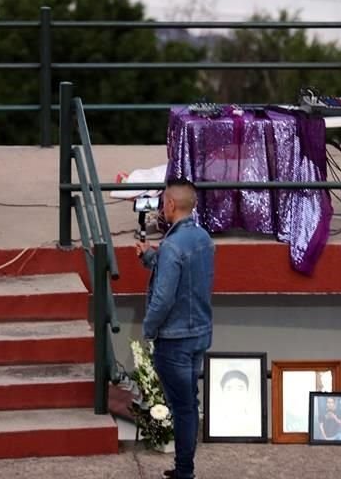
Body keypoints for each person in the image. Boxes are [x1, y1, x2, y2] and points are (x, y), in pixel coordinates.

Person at [136, 178, 215, 479]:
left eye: (163, 203)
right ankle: (185, 468)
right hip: (199, 334)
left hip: (175, 339)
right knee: (188, 403)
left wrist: (148, 328)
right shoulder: (204, 238)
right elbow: (190, 277)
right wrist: (150, 257)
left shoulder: (171, 246)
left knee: (182, 407)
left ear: (170, 204)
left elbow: (164, 297)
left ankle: (185, 471)